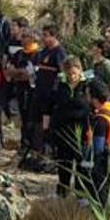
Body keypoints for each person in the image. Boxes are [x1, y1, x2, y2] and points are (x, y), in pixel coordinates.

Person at [44, 57, 91, 197]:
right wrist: (47, 127)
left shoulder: (87, 85)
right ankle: (62, 191)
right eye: (69, 74)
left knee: (82, 165)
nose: (72, 77)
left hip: (81, 131)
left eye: (74, 74)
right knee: (64, 163)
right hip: (63, 130)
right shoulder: (59, 85)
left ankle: (80, 194)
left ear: (80, 71)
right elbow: (49, 105)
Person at [28, 25, 67, 162]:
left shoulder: (59, 53)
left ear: (53, 36)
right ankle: (36, 151)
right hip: (39, 93)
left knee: (47, 126)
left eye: (46, 35)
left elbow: (63, 75)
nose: (43, 38)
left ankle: (48, 153)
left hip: (50, 96)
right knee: (36, 122)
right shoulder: (43, 52)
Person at [7, 30, 39, 155]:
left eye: (26, 37)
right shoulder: (19, 53)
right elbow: (10, 70)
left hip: (32, 92)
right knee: (22, 118)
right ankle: (23, 144)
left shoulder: (38, 54)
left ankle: (31, 145)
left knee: (31, 119)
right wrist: (18, 73)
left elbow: (31, 74)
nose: (22, 39)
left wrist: (20, 73)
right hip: (20, 90)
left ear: (32, 38)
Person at [89, 81, 110, 203]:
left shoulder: (101, 119)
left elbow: (98, 149)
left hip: (104, 160)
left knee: (101, 193)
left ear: (94, 98)